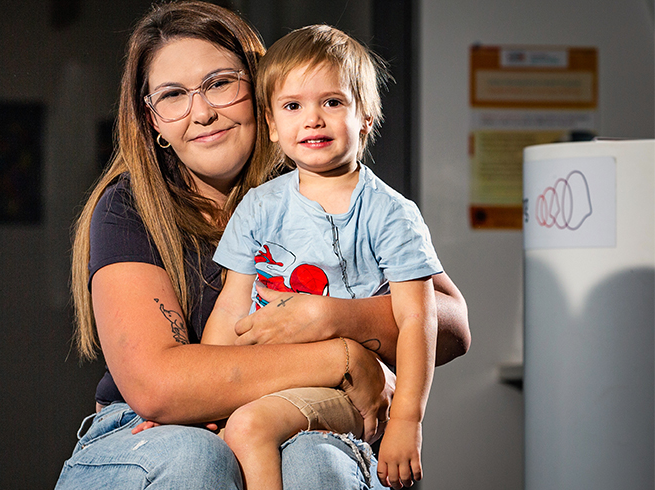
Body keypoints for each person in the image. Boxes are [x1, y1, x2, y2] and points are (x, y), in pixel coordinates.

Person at [54, 2, 470, 489]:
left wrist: (332, 316)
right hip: (153, 430)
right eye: (173, 95)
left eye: (220, 83)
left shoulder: (323, 180)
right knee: (194, 457)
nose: (203, 112)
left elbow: (453, 327)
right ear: (153, 121)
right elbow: (158, 387)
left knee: (319, 465)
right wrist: (343, 357)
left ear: (260, 88)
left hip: (298, 412)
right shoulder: (128, 207)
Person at [201, 24, 443, 490]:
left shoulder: (390, 213)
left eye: (332, 102)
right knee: (229, 433)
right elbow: (231, 306)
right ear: (272, 125)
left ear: (366, 118)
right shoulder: (258, 206)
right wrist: (206, 397)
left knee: (249, 428)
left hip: (346, 390)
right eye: (293, 106)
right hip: (267, 377)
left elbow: (418, 320)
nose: (313, 119)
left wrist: (407, 422)